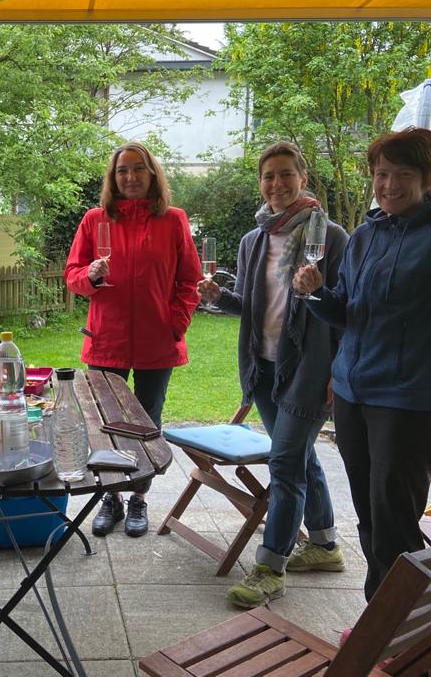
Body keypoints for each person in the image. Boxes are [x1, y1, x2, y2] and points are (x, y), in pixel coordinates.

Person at [293, 127, 431, 602]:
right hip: (354, 397)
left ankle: (395, 635)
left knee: (395, 521)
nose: (390, 185)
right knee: (370, 517)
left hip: (407, 401)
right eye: (382, 174)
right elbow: (349, 312)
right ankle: (382, 620)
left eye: (403, 174)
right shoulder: (365, 235)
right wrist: (316, 291)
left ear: (430, 177)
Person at [198, 141, 348, 608]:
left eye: (286, 174)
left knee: (284, 463)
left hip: (309, 368)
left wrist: (335, 373)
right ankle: (324, 545)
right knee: (301, 457)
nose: (277, 184)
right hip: (263, 367)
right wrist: (219, 298)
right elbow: (247, 304)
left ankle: (269, 567)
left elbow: (345, 312)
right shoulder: (253, 240)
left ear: (304, 178)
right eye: (268, 177)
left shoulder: (334, 238)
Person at [65, 141, 202, 538]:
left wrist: (174, 323)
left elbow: (188, 280)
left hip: (157, 342)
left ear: (152, 174)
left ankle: (138, 497)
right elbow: (73, 276)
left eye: (138, 169)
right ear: (113, 178)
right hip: (106, 338)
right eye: (122, 171)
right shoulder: (94, 220)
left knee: (146, 423)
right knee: (107, 423)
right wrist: (90, 276)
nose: (130, 177)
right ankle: (112, 496)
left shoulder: (173, 220)